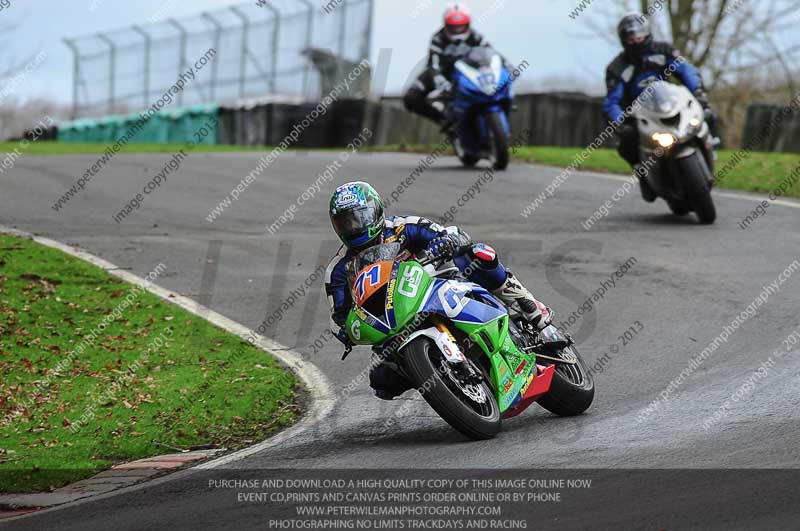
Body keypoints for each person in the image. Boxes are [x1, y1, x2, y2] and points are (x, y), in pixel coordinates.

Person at [325, 181, 560, 400]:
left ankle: (533, 311)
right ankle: (440, 378)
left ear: (375, 212)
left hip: (438, 282)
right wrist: (348, 331)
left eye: (358, 218)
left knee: (478, 255)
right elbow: (341, 314)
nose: (354, 227)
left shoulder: (402, 227)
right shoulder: (337, 270)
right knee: (381, 380)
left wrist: (441, 245)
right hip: (393, 318)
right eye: (345, 222)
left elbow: (448, 233)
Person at [604, 12, 717, 202]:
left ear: (647, 33)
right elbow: (612, 102)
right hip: (641, 116)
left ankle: (710, 145)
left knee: (708, 115)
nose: (636, 39)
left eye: (639, 35)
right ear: (624, 40)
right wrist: (621, 120)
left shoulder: (663, 51)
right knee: (626, 140)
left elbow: (686, 70)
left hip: (671, 104)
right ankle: (643, 174)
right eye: (631, 37)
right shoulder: (617, 67)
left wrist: (697, 91)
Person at [403, 3, 491, 126]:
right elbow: (433, 64)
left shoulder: (477, 37)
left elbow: (491, 55)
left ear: (468, 24)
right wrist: (440, 81)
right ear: (446, 25)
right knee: (411, 97)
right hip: (443, 74)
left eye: (461, 26)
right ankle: (445, 121)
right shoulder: (437, 38)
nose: (457, 30)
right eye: (453, 27)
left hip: (470, 75)